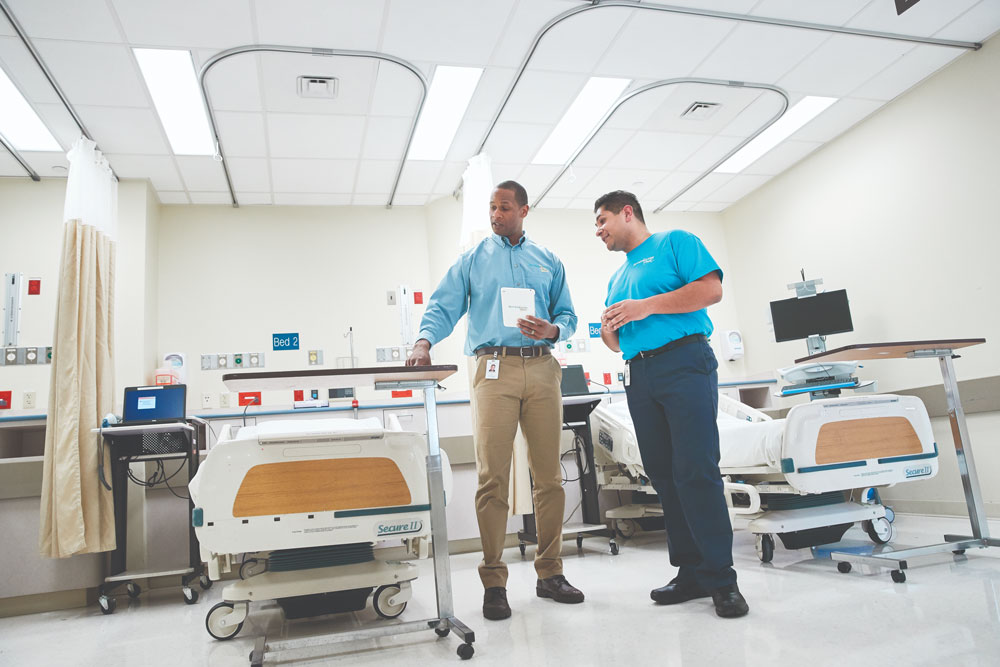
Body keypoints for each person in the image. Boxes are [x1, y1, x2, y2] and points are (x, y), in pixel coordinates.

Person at [407, 180, 584, 620]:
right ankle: (494, 579)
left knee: (549, 478)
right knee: (493, 479)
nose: (495, 214)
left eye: (504, 207)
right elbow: (444, 305)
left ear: (524, 210)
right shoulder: (472, 260)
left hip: (542, 368)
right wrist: (424, 341)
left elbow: (569, 315)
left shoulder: (548, 261)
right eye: (492, 207)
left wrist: (554, 330)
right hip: (493, 368)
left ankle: (550, 572)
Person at [593, 190, 749, 618]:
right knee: (663, 475)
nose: (599, 230)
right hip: (639, 374)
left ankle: (722, 578)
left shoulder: (675, 242)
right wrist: (609, 328)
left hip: (684, 361)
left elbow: (711, 290)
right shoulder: (616, 279)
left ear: (628, 213)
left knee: (696, 470)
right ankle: (690, 572)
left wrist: (644, 307)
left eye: (603, 220)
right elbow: (616, 341)